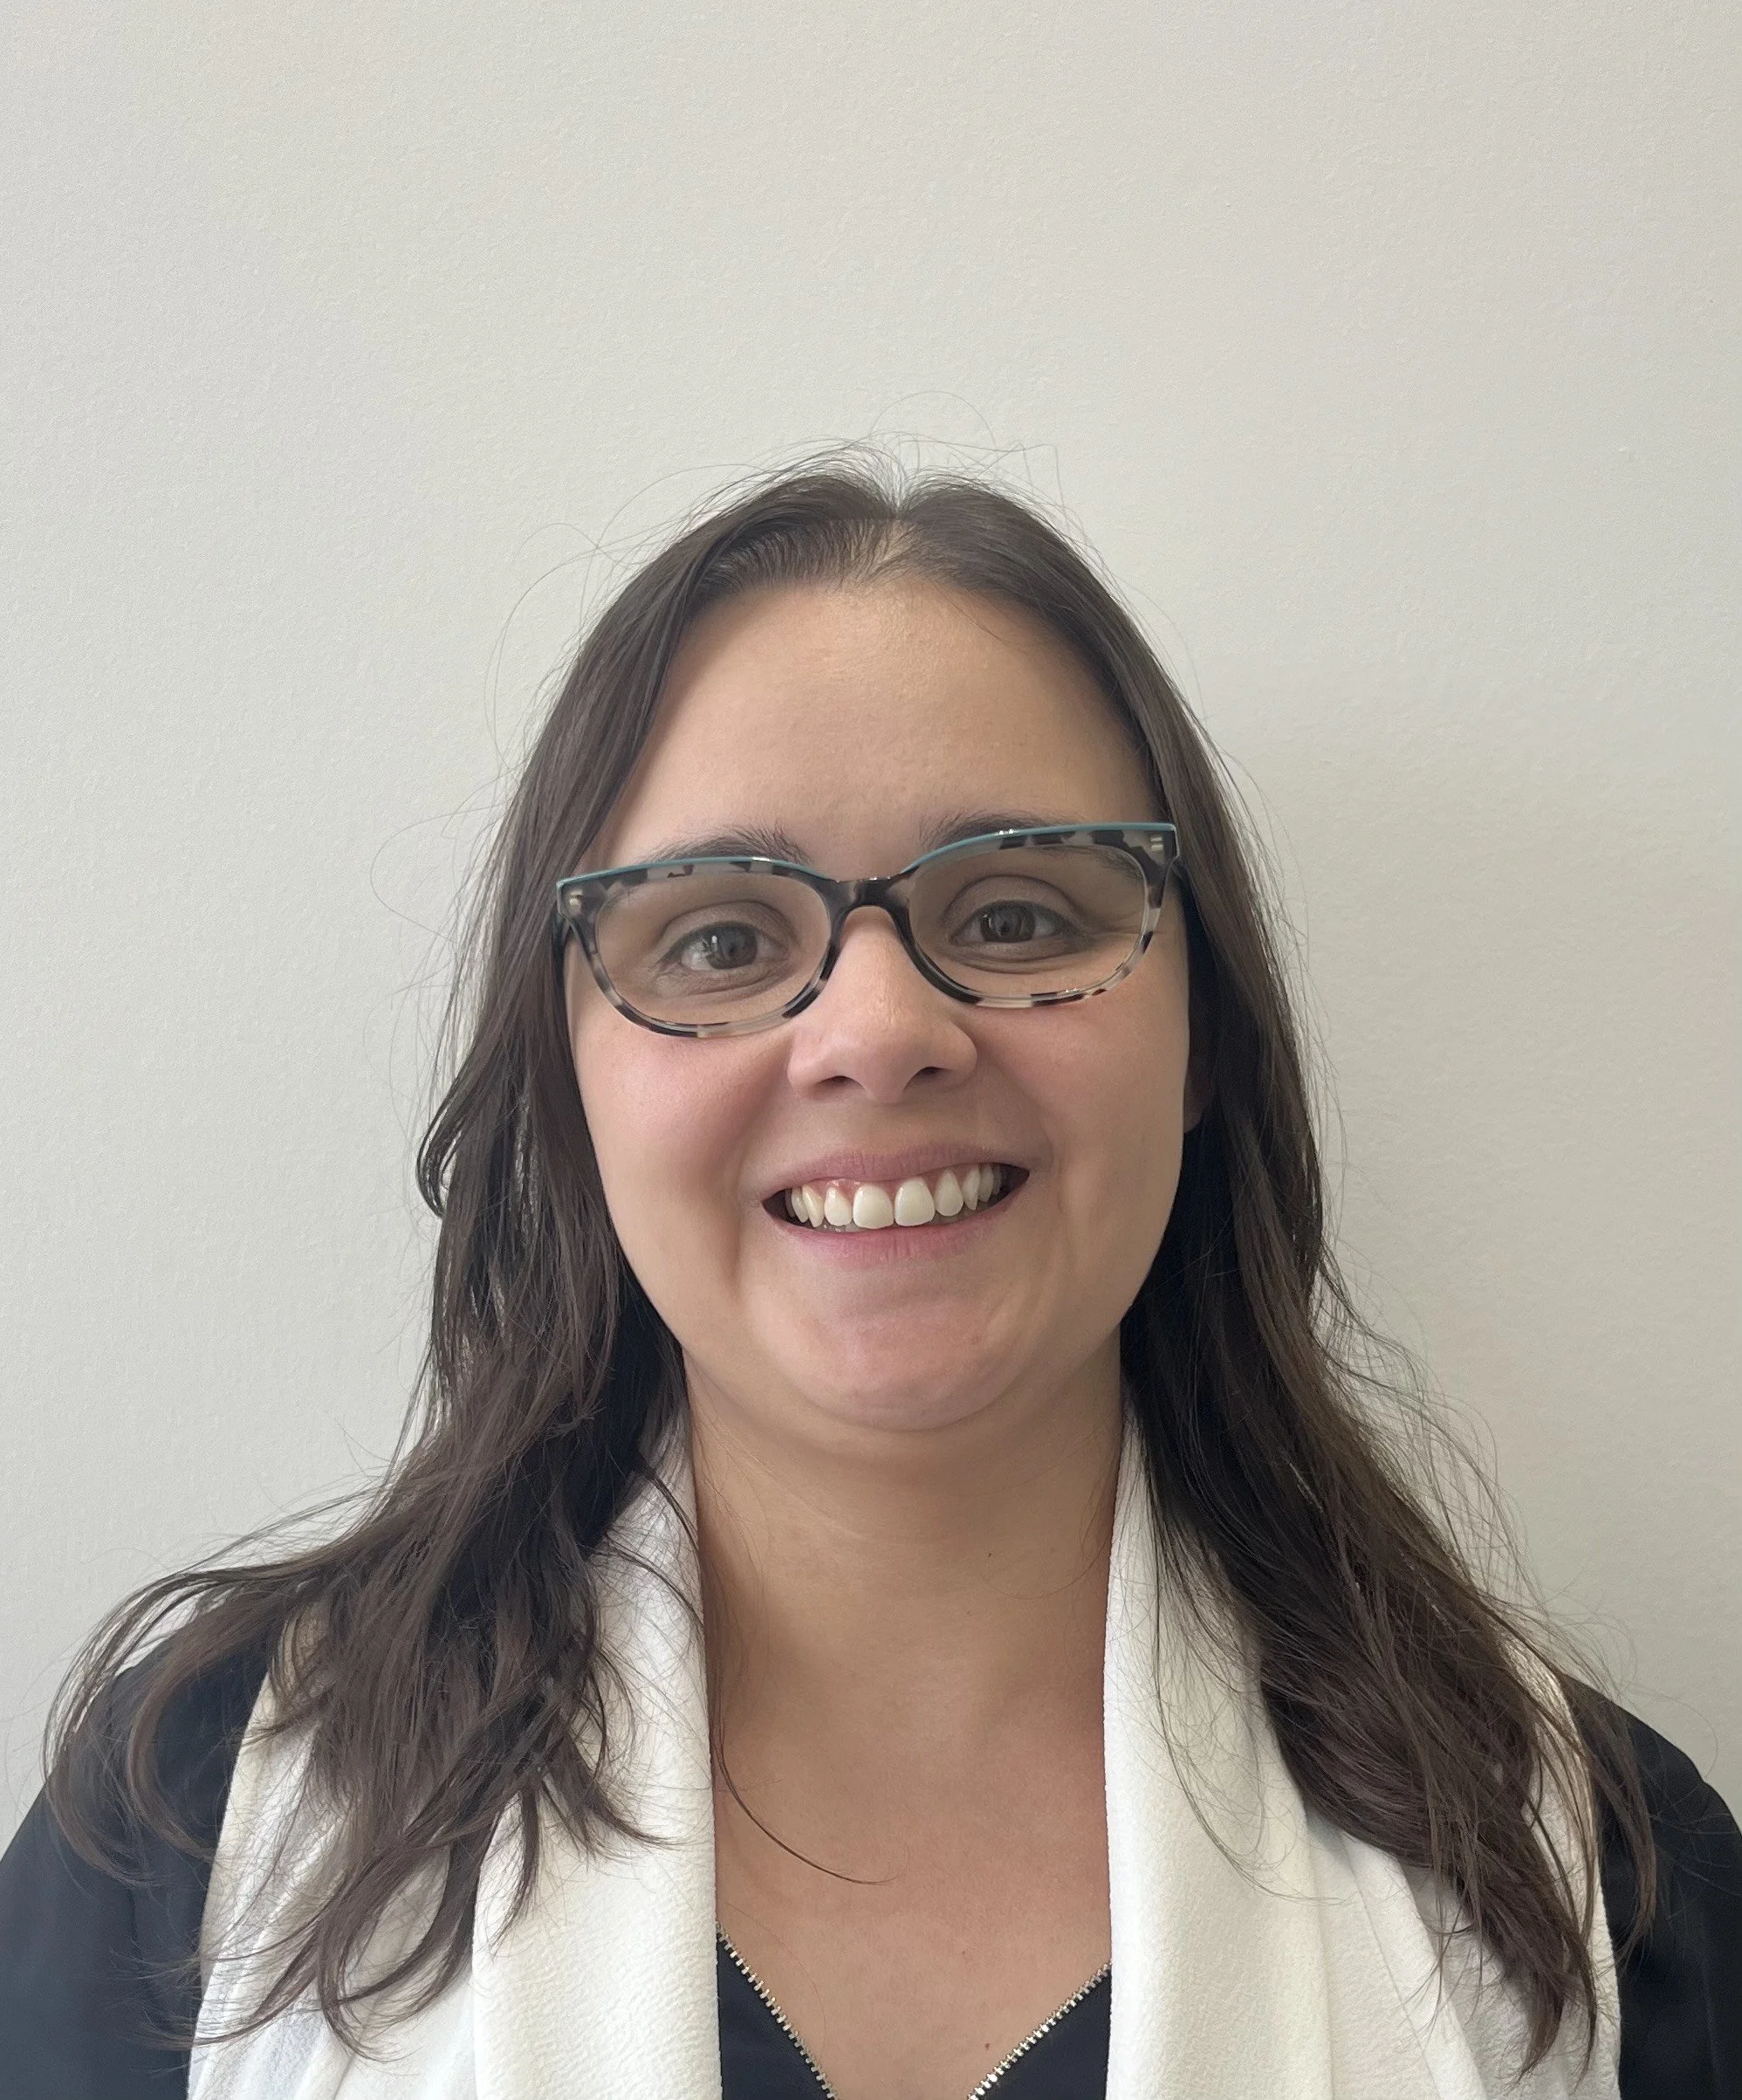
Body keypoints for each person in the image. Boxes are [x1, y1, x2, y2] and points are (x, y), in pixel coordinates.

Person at [1, 463, 1736, 2100]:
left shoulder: (1594, 1881)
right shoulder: (201, 1823)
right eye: (719, 939)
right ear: (567, 1073)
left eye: (1015, 917)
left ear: (1201, 1036)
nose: (880, 1032)